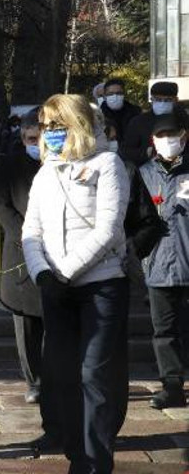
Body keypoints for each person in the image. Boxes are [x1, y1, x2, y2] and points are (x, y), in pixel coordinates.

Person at [22, 94, 130, 474]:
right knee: (61, 372)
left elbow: (108, 228)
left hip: (100, 286)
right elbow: (30, 231)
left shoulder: (108, 164)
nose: (49, 134)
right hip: (56, 288)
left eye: (57, 126)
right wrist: (44, 274)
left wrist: (65, 271)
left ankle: (93, 462)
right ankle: (74, 452)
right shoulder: (46, 172)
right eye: (46, 127)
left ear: (78, 125)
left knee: (93, 374)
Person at [0, 109, 46, 405]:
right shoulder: (10, 164)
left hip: (57, 252)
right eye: (30, 139)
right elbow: (2, 204)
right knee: (25, 323)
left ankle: (56, 375)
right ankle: (34, 380)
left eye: (40, 138)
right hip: (21, 248)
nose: (36, 144)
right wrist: (25, 234)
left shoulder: (59, 163)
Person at [138, 114, 189, 409]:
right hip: (158, 265)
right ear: (153, 141)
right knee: (164, 331)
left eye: (173, 134)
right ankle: (171, 386)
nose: (168, 140)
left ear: (183, 136)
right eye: (162, 135)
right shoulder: (144, 174)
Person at [122, 81, 188, 166]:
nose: (162, 103)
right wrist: (147, 152)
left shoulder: (184, 120)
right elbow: (126, 150)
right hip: (147, 171)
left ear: (175, 100)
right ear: (151, 99)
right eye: (158, 99)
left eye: (167, 100)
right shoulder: (138, 122)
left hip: (181, 169)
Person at [100, 78, 141, 146]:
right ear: (104, 96)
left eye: (119, 93)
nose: (115, 96)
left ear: (124, 95)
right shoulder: (98, 115)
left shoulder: (136, 112)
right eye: (111, 94)